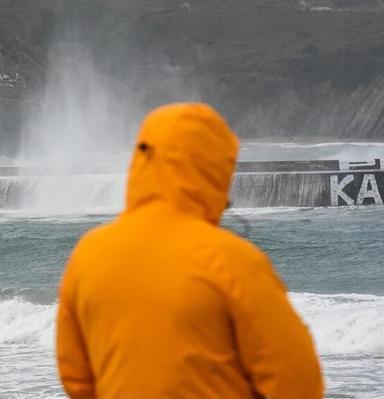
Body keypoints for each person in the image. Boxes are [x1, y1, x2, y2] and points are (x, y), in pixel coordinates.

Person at [56, 103, 323, 399]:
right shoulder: (232, 259)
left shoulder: (88, 254)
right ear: (215, 167)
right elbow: (299, 379)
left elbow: (75, 376)